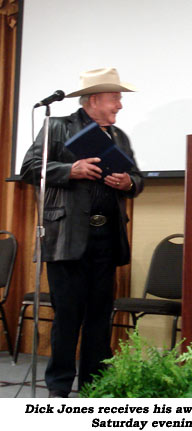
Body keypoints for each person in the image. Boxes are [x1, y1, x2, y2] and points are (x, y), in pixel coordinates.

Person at [21, 67, 144, 398]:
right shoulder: (58, 126)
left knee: (99, 318)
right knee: (68, 316)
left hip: (106, 239)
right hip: (67, 237)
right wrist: (70, 170)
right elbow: (30, 169)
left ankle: (95, 386)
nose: (120, 105)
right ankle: (59, 388)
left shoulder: (119, 137)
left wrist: (128, 182)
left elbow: (137, 178)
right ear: (94, 99)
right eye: (115, 98)